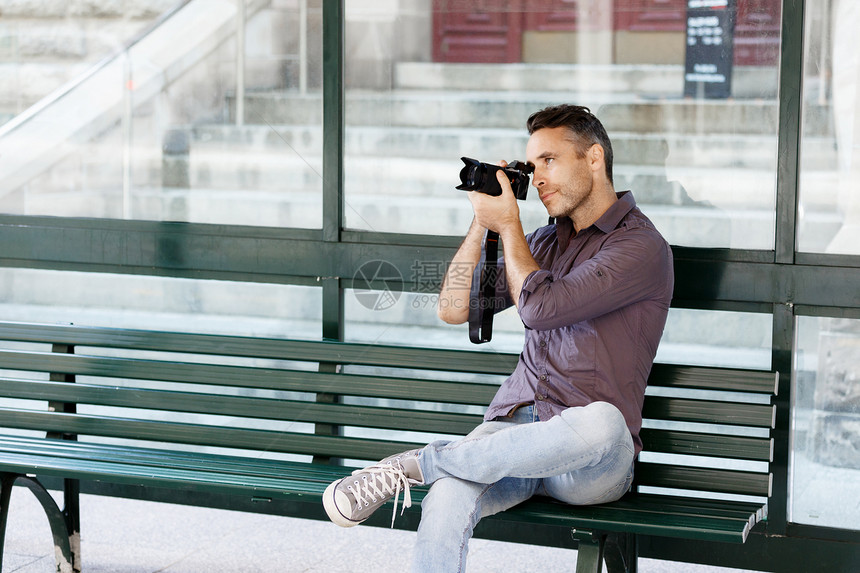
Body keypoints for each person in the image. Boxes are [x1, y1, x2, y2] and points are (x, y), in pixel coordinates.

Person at [322, 104, 674, 572]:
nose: (538, 177)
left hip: (591, 462)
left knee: (604, 422)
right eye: (532, 166)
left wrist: (510, 226)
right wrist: (484, 220)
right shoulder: (546, 242)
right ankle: (432, 472)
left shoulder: (640, 246)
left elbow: (539, 308)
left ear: (594, 159)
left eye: (548, 160)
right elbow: (453, 308)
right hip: (512, 433)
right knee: (448, 494)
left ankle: (414, 466)